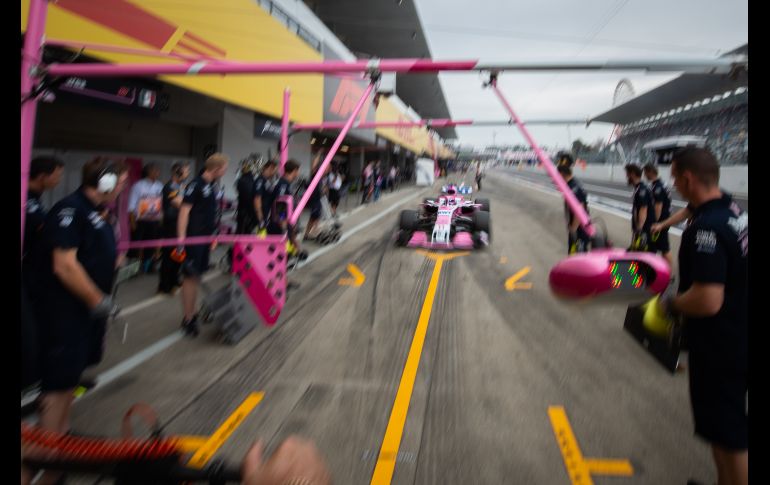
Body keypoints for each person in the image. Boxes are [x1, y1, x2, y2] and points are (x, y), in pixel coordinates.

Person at [642, 148, 747, 485]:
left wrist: (670, 304)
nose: (674, 185)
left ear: (688, 179)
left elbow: (708, 298)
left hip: (721, 346)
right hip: (738, 333)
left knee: (730, 437)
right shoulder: (732, 210)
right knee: (722, 431)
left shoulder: (707, 230)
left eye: (675, 178)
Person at [34, 157, 129, 483]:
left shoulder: (93, 213)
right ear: (104, 183)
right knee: (58, 386)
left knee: (70, 380)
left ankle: (61, 435)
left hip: (82, 314)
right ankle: (49, 462)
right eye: (120, 182)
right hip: (65, 313)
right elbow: (64, 266)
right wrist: (98, 301)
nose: (122, 188)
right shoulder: (70, 210)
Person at [22, 156, 64, 391]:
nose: (59, 179)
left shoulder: (35, 198)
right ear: (42, 176)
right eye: (56, 175)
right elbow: (43, 227)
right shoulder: (26, 199)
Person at [177, 153, 229, 337]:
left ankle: (193, 312)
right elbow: (184, 213)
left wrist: (213, 236)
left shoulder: (210, 185)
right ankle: (188, 318)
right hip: (193, 241)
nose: (225, 171)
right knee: (190, 280)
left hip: (204, 241)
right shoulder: (195, 185)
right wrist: (181, 242)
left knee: (197, 277)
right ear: (216, 168)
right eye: (224, 168)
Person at [158, 161, 190, 294]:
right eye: (185, 170)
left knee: (179, 253)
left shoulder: (181, 186)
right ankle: (164, 286)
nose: (187, 173)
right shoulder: (169, 187)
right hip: (171, 225)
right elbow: (180, 203)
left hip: (180, 224)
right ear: (178, 171)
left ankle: (175, 279)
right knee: (168, 256)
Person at [128, 162, 164, 273]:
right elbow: (131, 205)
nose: (158, 172)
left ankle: (148, 266)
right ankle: (133, 269)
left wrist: (161, 220)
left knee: (151, 244)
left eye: (158, 170)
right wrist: (132, 222)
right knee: (136, 245)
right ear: (149, 171)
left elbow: (162, 205)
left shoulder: (160, 186)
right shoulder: (138, 186)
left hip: (154, 221)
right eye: (155, 170)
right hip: (140, 221)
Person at [644, 163, 674, 267]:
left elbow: (658, 207)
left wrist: (654, 223)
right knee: (656, 246)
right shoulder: (661, 184)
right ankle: (657, 268)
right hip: (664, 219)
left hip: (661, 221)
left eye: (646, 172)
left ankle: (669, 273)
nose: (645, 175)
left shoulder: (657, 187)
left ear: (651, 172)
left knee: (664, 248)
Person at [557, 164, 590, 254]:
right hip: (580, 228)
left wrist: (573, 228)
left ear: (562, 174)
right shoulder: (573, 183)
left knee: (577, 258)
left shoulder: (574, 188)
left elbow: (579, 210)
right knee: (575, 256)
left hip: (579, 230)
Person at [625, 163, 655, 252]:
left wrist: (639, 230)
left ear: (633, 174)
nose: (626, 176)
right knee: (637, 252)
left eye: (628, 174)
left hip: (645, 229)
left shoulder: (641, 190)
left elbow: (643, 209)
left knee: (643, 254)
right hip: (643, 228)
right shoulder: (639, 188)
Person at [253, 160, 278, 231]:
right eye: (274, 170)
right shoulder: (260, 181)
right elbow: (257, 199)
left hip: (267, 215)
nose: (275, 173)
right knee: (261, 238)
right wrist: (260, 219)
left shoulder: (267, 181)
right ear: (270, 168)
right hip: (261, 216)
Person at [235, 159, 257, 235]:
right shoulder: (253, 180)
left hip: (243, 210)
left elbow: (243, 195)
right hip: (251, 210)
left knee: (241, 231)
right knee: (248, 232)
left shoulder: (241, 180)